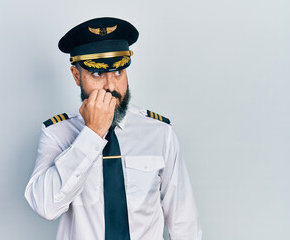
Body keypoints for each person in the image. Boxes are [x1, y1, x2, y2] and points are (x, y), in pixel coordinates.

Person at [25, 17, 202, 240]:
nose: (111, 86)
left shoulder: (159, 132)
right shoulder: (56, 133)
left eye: (119, 72)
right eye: (97, 74)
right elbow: (45, 206)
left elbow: (183, 221)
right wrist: (92, 134)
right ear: (76, 75)